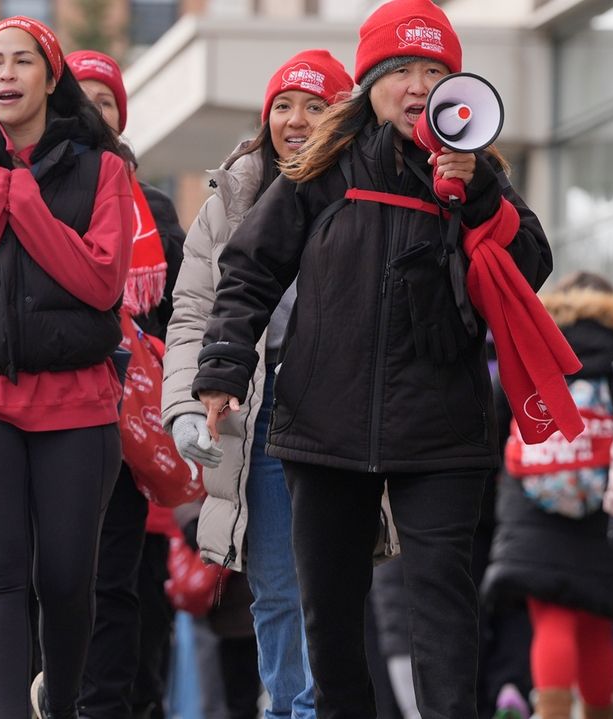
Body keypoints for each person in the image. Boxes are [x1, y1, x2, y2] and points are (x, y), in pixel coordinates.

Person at [190, 1, 553, 715]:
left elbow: (532, 264)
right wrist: (223, 367)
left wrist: (478, 193)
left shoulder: (481, 176)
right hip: (326, 421)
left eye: (434, 71)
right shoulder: (324, 168)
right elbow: (251, 268)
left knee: (444, 608)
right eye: (402, 71)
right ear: (370, 83)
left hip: (443, 426)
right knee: (331, 615)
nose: (418, 86)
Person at [0, 16, 134, 719]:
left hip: (76, 403)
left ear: (49, 76)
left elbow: (100, 283)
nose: (6, 75)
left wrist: (26, 203)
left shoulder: (102, 166)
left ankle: (58, 704)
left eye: (22, 62)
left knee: (68, 578)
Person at [163, 47, 353, 719]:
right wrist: (185, 405)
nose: (296, 119)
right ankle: (293, 710)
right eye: (283, 105)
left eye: (315, 106)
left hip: (345, 415)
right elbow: (192, 313)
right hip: (262, 414)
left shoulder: (366, 188)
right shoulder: (231, 196)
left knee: (335, 586)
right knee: (274, 585)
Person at [63, 48, 188, 719]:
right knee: (41, 582)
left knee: (115, 582)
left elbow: (177, 315)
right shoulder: (30, 185)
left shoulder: (155, 207)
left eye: (104, 99)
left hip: (119, 420)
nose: (91, 109)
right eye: (79, 96)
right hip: (41, 415)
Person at [482, 271, 613, 719]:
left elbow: (495, 413)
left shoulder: (533, 340)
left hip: (533, 510)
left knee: (551, 620)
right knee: (596, 625)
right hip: (605, 510)